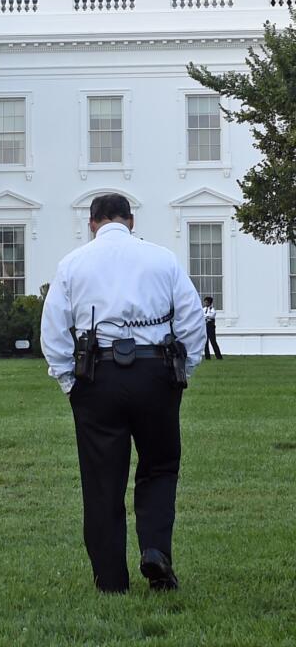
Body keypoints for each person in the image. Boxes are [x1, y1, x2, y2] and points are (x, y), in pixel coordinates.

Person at [40, 194, 205, 593]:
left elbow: (53, 330)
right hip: (156, 372)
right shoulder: (163, 259)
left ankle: (111, 579)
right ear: (130, 221)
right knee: (160, 467)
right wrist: (183, 371)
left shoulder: (73, 263)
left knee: (101, 480)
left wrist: (69, 382)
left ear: (92, 223)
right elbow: (191, 318)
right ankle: (155, 551)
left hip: (98, 375)